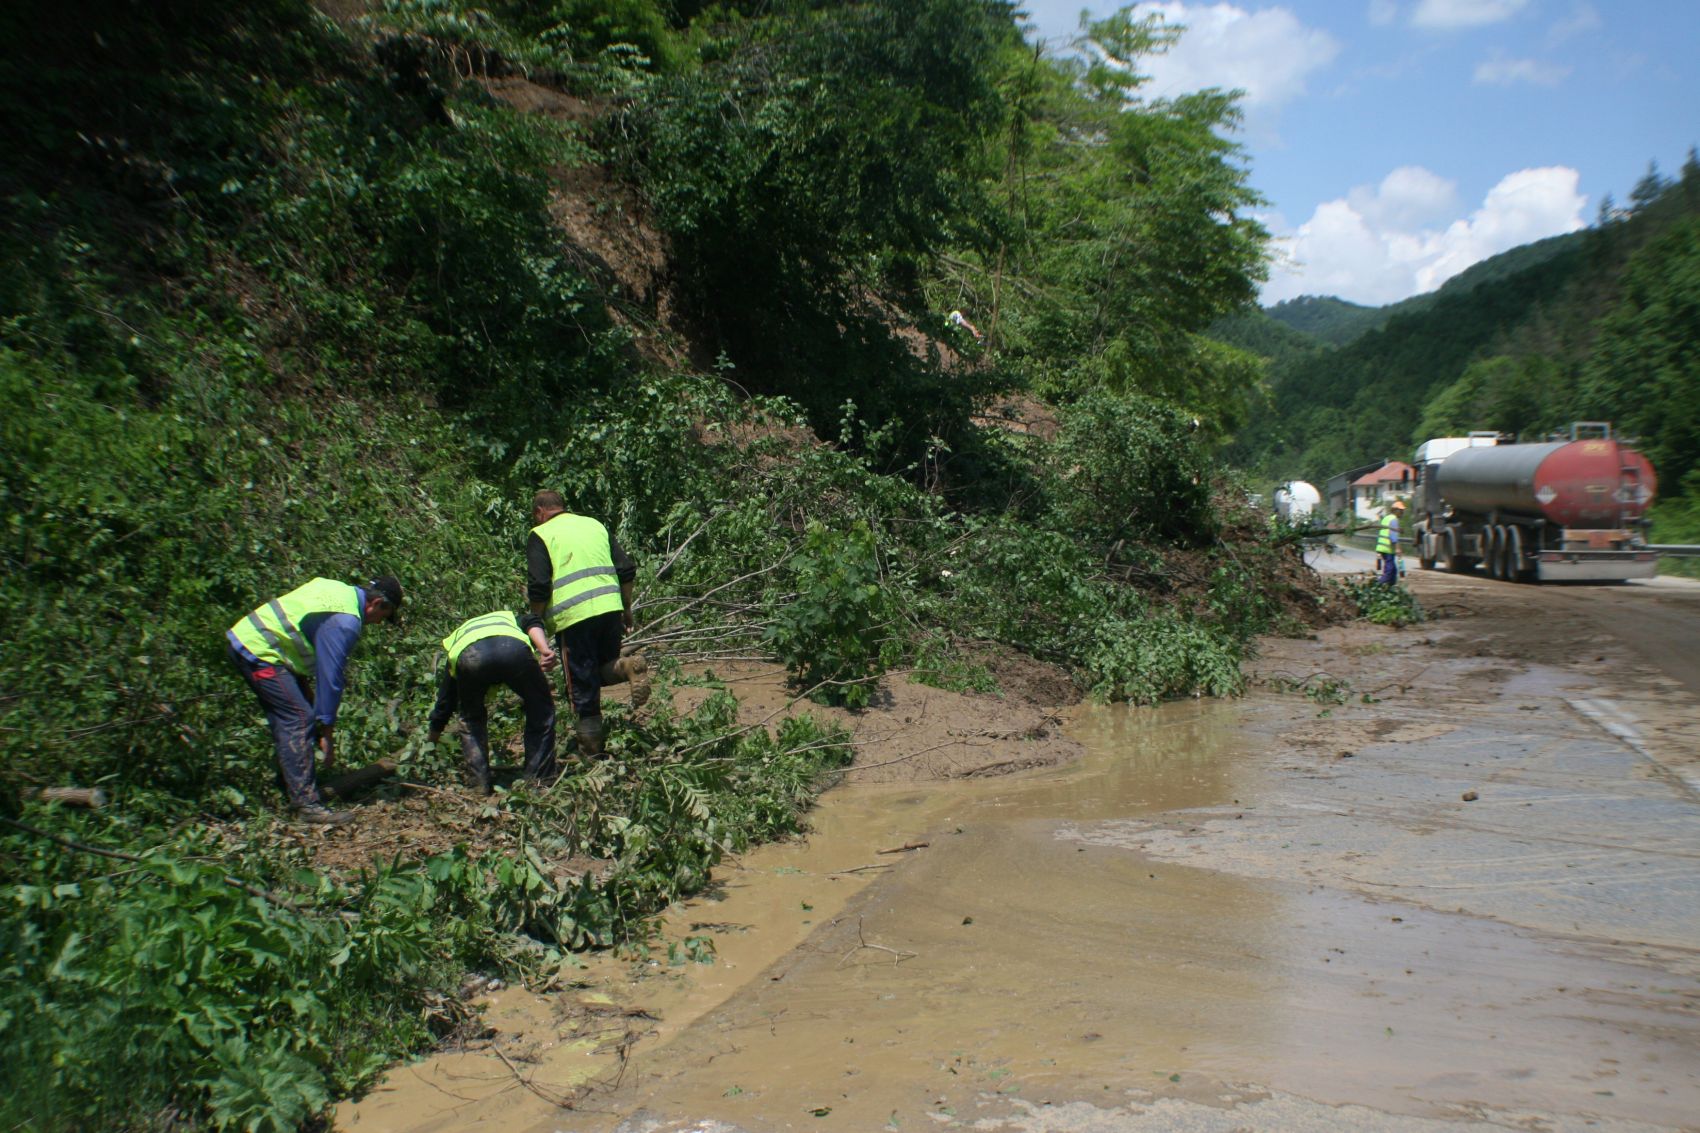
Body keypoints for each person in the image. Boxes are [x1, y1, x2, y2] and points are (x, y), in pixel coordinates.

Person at [226, 575, 402, 825]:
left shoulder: (335, 590)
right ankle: (306, 805)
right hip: (260, 651)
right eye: (383, 617)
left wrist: (309, 698)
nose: (377, 623)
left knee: (291, 715)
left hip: (259, 643)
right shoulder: (346, 622)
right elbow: (330, 678)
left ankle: (285, 787)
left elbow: (300, 634)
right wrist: (326, 731)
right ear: (376, 605)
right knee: (298, 718)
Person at [526, 490, 647, 757]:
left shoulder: (541, 535)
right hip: (609, 609)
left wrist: (535, 618)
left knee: (581, 688)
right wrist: (626, 609)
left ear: (539, 513)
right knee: (599, 672)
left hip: (574, 618)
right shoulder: (594, 524)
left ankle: (591, 753)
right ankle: (625, 665)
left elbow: (539, 585)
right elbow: (626, 568)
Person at [425, 611, 559, 793]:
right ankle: (538, 781)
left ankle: (479, 783)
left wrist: (430, 744)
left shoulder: (460, 638)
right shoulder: (510, 618)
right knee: (541, 708)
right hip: (513, 651)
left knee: (471, 719)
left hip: (470, 657)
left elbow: (445, 701)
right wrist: (544, 649)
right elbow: (532, 620)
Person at [1376, 500, 1406, 585]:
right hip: (1387, 549)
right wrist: (1397, 548)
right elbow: (1393, 536)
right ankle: (1378, 586)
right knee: (1389, 570)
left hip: (1381, 547)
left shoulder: (1386, 518)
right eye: (1401, 510)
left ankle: (1391, 587)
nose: (1402, 512)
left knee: (1393, 570)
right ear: (1395, 510)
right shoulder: (1393, 520)